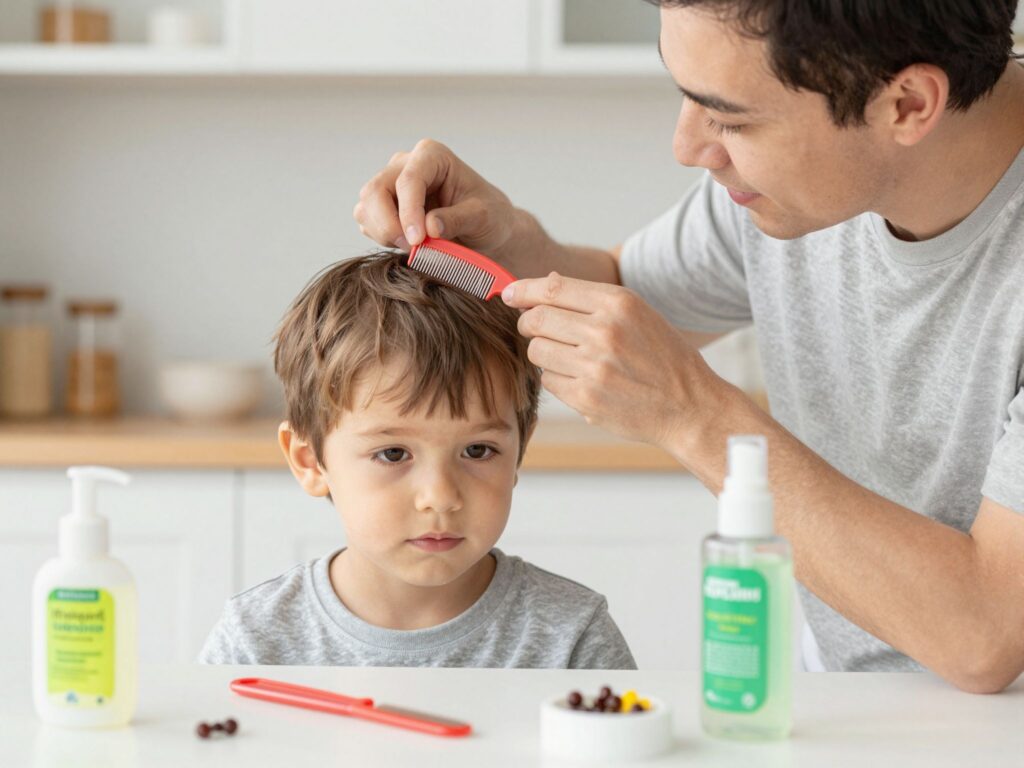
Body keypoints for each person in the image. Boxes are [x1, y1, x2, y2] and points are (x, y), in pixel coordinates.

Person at [354, 0, 1024, 692]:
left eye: (730, 118)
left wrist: (693, 415)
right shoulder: (786, 191)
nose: (688, 147)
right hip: (845, 702)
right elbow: (634, 292)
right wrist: (508, 240)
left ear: (908, 105)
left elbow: (984, 638)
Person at [199, 252, 636, 669]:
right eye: (393, 453)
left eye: (478, 450)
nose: (440, 498)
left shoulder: (573, 640)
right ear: (310, 461)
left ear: (520, 448)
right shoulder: (255, 642)